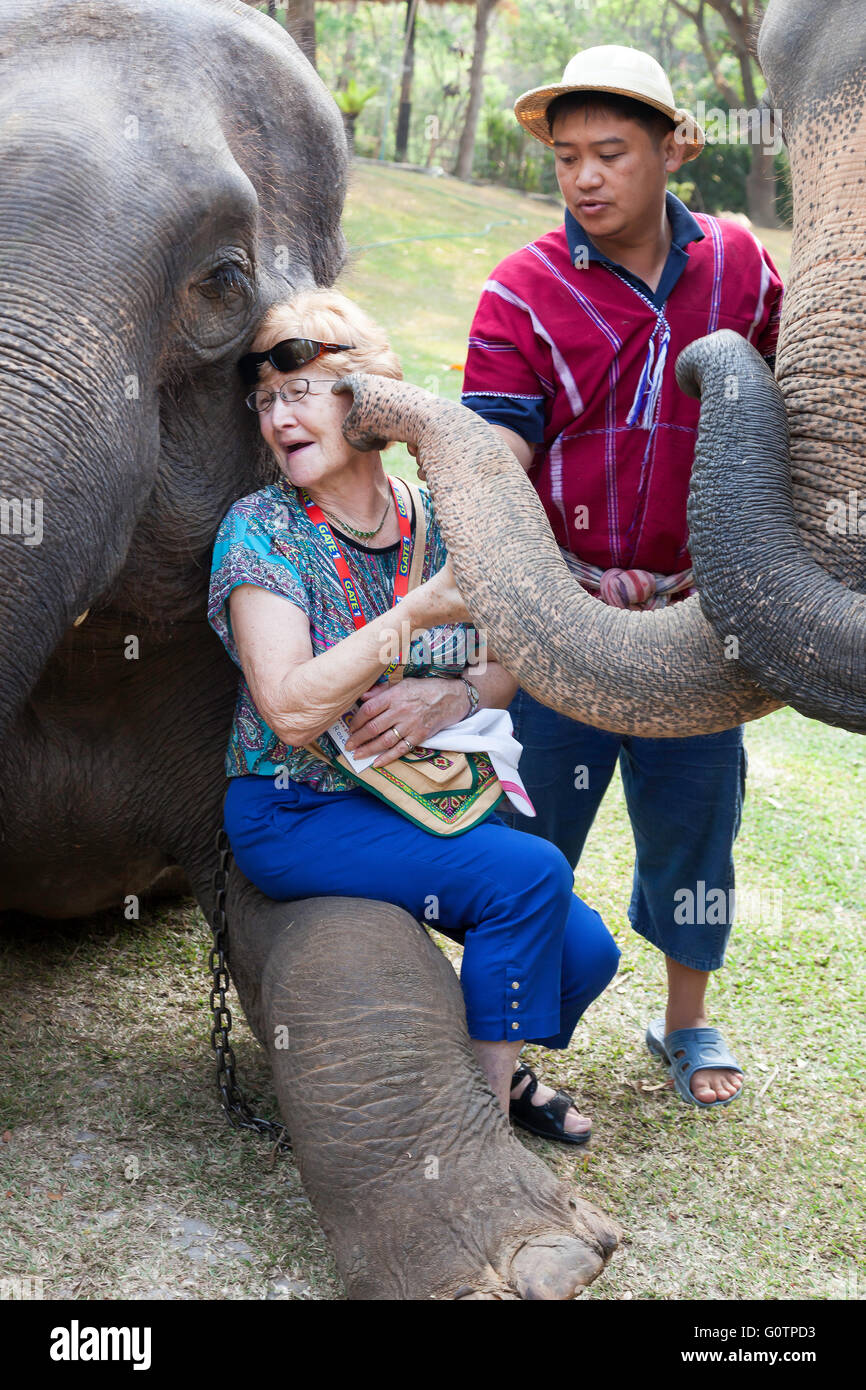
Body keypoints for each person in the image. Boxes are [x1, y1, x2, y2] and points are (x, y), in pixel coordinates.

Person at [207, 288, 620, 1144]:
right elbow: (287, 709)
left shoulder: (440, 517)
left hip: (423, 796)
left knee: (588, 955)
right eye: (266, 400)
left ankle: (488, 1066)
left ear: (368, 404)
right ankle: (473, 1131)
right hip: (296, 807)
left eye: (301, 393)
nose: (278, 416)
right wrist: (411, 620)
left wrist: (458, 694)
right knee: (530, 876)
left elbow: (510, 660)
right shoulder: (260, 532)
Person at [461, 46, 784, 1109]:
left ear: (671, 149)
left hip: (700, 618)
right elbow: (493, 453)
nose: (585, 179)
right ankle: (506, 1042)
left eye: (610, 153)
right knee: (528, 832)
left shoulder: (741, 271)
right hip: (561, 615)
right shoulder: (520, 289)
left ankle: (683, 1021)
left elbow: (793, 412)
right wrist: (527, 589)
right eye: (565, 159)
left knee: (695, 822)